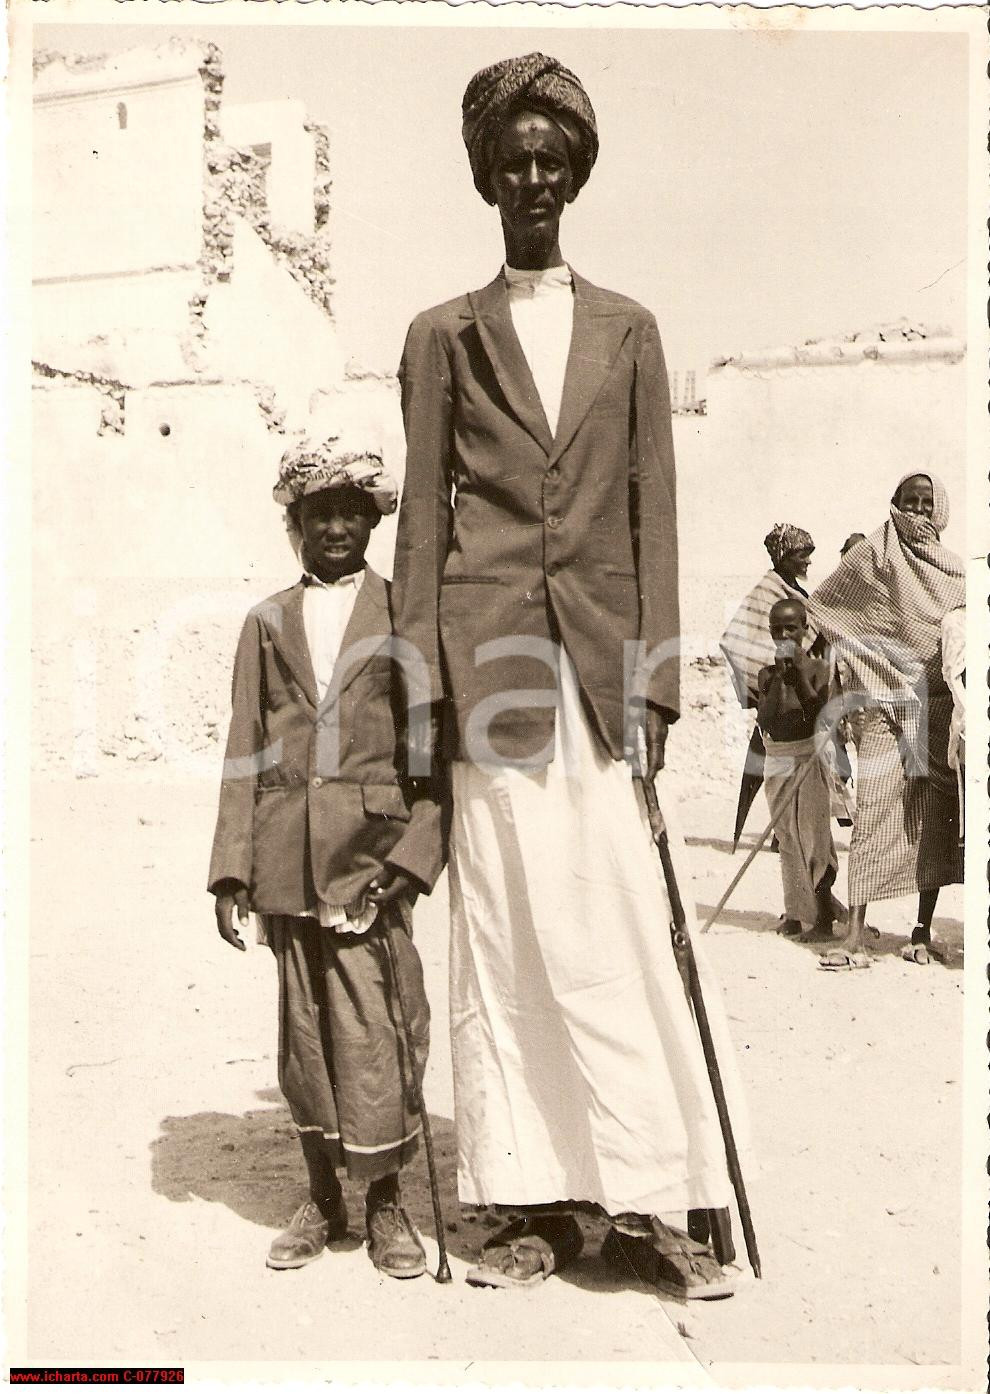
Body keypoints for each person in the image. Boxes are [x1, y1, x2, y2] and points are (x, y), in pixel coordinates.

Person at [392, 52, 747, 1299]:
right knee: (507, 944)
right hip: (489, 684)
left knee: (622, 937)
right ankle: (532, 1202)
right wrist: (423, 700)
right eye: (513, 158)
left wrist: (652, 688)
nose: (532, 175)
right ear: (486, 175)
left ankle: (653, 1202)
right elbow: (421, 528)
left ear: (575, 173)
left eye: (553, 157)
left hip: (600, 686)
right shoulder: (440, 336)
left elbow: (654, 515)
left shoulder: (631, 330)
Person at [208, 434, 446, 1275]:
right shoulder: (267, 622)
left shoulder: (406, 614)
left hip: (370, 857)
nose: (336, 524)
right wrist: (232, 871)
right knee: (304, 1032)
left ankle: (386, 1207)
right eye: (319, 512)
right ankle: (324, 1198)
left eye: (352, 510)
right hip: (284, 859)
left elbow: (433, 758)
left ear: (376, 522)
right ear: (295, 523)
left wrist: (412, 858)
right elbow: (246, 746)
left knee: (379, 1028)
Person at [811, 472, 964, 970]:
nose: (916, 513)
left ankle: (922, 930)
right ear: (893, 503)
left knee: (933, 821)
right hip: (881, 708)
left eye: (925, 504)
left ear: (938, 511)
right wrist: (870, 665)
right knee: (874, 814)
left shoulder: (957, 572)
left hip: (936, 711)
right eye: (908, 502)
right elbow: (828, 607)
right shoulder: (870, 557)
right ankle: (855, 933)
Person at [756, 599, 837, 940]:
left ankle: (823, 920)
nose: (784, 634)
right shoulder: (766, 674)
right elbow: (768, 718)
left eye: (791, 627)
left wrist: (798, 673)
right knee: (786, 837)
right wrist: (780, 678)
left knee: (814, 838)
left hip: (807, 756)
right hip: (777, 757)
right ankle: (795, 912)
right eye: (777, 629)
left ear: (805, 628)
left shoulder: (819, 669)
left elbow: (819, 712)